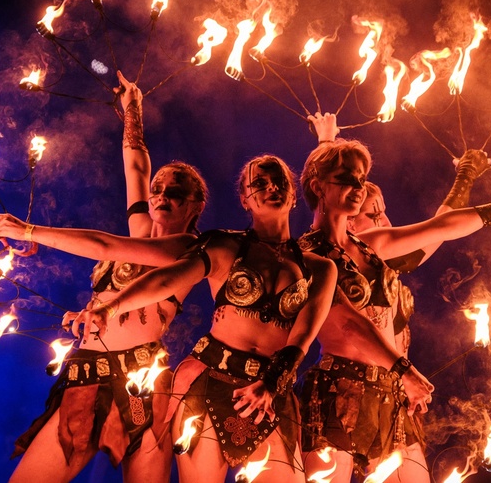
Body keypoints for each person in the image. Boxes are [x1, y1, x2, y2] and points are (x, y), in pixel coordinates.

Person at [0, 71, 207, 483]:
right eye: (158, 189)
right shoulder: (140, 228)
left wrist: (30, 231)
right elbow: (136, 167)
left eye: (175, 193)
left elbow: (104, 245)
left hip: (142, 383)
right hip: (88, 373)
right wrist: (133, 109)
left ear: (195, 206)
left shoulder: (188, 249)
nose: (161, 195)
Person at [298, 112, 491, 483]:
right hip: (340, 392)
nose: (360, 189)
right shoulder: (308, 255)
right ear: (319, 186)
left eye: (362, 180)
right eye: (351, 181)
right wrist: (405, 371)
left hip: (393, 395)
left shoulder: (372, 246)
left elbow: (440, 227)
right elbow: (347, 324)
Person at [67, 155, 338, 483]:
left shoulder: (320, 268)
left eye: (280, 182)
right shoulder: (225, 245)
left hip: (270, 389)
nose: (272, 188)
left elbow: (303, 336)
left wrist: (270, 384)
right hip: (209, 383)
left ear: (293, 195)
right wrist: (111, 308)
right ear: (244, 198)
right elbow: (167, 279)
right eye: (260, 184)